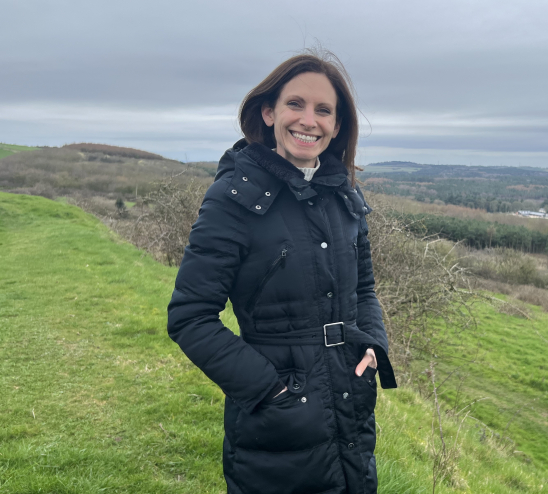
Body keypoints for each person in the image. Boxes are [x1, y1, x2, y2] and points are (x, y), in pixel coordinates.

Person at [167, 51, 396, 494]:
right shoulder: (232, 199)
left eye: (323, 110)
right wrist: (273, 392)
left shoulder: (345, 196)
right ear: (269, 112)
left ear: (337, 124)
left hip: (350, 403)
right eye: (296, 104)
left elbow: (365, 289)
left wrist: (372, 348)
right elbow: (190, 318)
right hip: (275, 422)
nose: (308, 120)